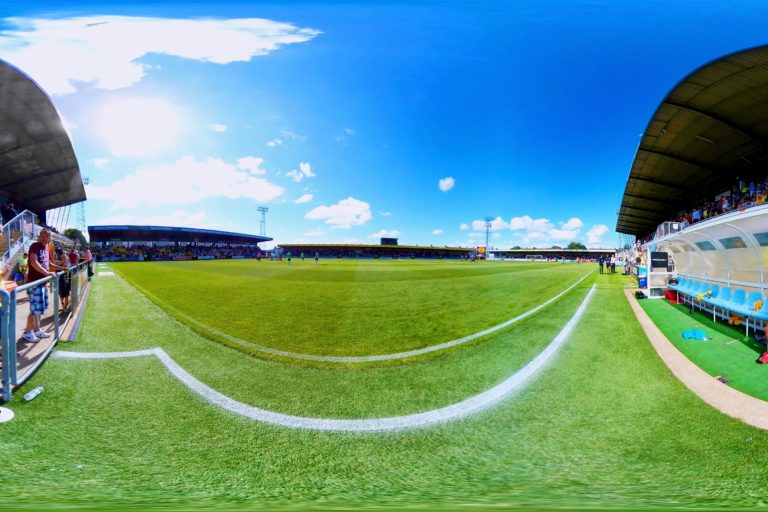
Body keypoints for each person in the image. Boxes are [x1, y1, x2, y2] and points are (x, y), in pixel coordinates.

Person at [22, 230, 66, 343]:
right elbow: (33, 262)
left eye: (46, 237)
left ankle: (36, 329)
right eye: (42, 236)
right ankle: (27, 332)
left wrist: (61, 267)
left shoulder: (46, 248)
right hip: (35, 282)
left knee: (40, 309)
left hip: (42, 282)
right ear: (39, 237)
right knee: (35, 309)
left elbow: (48, 264)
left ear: (50, 238)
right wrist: (47, 273)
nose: (44, 238)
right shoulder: (34, 246)